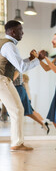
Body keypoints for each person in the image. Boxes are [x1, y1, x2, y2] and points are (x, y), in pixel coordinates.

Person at [0, 20, 41, 151]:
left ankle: (17, 142)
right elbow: (21, 67)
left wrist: (30, 58)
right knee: (18, 110)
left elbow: (16, 63)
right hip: (2, 80)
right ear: (13, 32)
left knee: (16, 110)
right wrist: (38, 60)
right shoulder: (9, 46)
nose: (22, 33)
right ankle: (17, 144)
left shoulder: (5, 43)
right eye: (20, 30)